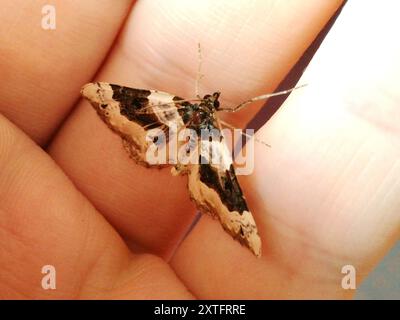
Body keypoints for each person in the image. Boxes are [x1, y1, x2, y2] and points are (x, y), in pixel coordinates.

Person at [0, 0, 398, 299]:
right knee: (201, 154)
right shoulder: (213, 119)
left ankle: (229, 213)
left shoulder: (186, 106)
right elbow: (231, 114)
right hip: (204, 142)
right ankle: (223, 206)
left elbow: (108, 95)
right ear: (212, 104)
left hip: (177, 131)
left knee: (120, 99)